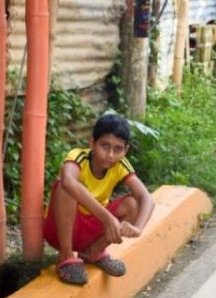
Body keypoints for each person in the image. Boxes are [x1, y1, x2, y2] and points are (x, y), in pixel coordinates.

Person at [44, 113, 154, 286]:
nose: (110, 154)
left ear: (125, 151)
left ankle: (93, 253)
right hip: (61, 230)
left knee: (133, 204)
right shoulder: (78, 157)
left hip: (91, 232)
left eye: (117, 149)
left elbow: (146, 198)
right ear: (91, 142)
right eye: (104, 146)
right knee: (65, 187)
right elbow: (68, 181)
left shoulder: (120, 165)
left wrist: (138, 228)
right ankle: (65, 256)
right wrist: (107, 218)